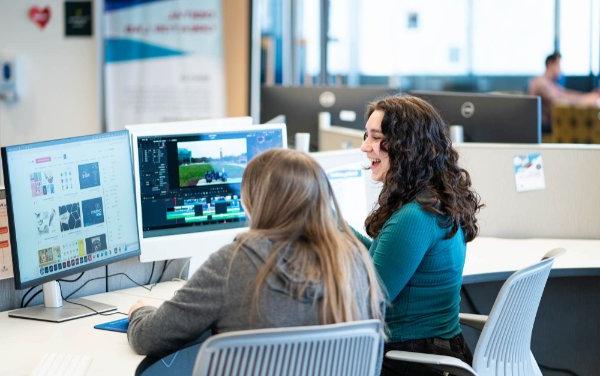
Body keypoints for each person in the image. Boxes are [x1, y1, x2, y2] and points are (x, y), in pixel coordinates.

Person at [127, 149, 384, 371]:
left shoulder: (235, 261)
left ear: (252, 203)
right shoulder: (356, 260)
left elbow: (147, 338)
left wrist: (140, 311)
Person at [356, 95, 482, 376]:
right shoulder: (432, 200)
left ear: (406, 147)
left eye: (377, 138)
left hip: (412, 361)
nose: (365, 147)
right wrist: (336, 231)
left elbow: (366, 303)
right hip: (437, 353)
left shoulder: (414, 218)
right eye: (367, 136)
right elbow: (385, 254)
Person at [528, 52, 600, 132]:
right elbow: (558, 102)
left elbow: (566, 94)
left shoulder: (550, 84)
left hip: (554, 123)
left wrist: (588, 96)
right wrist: (585, 99)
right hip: (546, 126)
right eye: (559, 65)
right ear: (550, 64)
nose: (560, 70)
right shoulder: (540, 82)